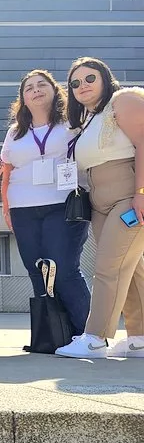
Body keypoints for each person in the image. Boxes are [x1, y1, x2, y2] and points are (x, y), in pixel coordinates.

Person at [56, 63, 144, 358]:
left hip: (127, 194)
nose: (83, 85)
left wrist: (141, 193)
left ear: (106, 78)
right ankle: (140, 338)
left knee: (108, 266)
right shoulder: (90, 119)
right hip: (99, 200)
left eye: (90, 78)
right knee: (131, 269)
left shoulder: (124, 100)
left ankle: (95, 337)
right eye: (75, 83)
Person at [0, 70, 90, 337]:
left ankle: (87, 334)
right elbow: (6, 172)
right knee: (36, 270)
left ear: (55, 91)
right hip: (22, 208)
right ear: (23, 99)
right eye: (29, 88)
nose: (36, 90)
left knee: (63, 269)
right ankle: (51, 334)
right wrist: (6, 209)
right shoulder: (15, 132)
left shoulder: (73, 123)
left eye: (42, 85)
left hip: (63, 204)